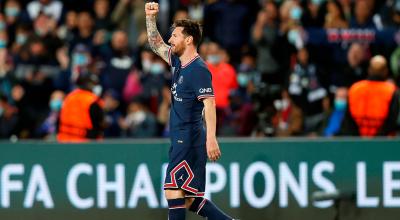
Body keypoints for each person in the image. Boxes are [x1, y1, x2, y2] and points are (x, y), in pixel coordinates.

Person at [145, 2, 236, 220]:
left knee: (172, 191)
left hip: (189, 138)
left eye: (175, 36)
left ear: (189, 40)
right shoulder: (177, 61)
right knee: (188, 199)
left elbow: (210, 104)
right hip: (181, 138)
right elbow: (156, 44)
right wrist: (150, 18)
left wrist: (211, 139)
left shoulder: (198, 70)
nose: (170, 40)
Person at [343, 55, 399, 137]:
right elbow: (392, 120)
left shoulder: (355, 88)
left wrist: (359, 138)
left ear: (369, 70)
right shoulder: (391, 90)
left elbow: (348, 120)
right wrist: (377, 138)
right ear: (385, 71)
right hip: (383, 143)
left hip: (358, 141)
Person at [57, 71, 104, 142]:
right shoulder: (92, 100)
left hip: (64, 141)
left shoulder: (69, 97)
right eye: (94, 84)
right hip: (84, 144)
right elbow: (98, 123)